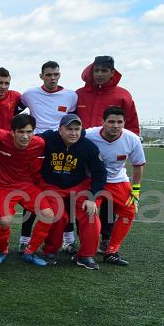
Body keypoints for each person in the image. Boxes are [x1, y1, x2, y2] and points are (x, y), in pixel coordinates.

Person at [75, 55, 141, 251]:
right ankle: (78, 240)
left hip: (111, 158)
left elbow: (132, 126)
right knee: (81, 199)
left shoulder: (123, 95)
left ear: (112, 73)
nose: (100, 75)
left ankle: (106, 238)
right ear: (91, 71)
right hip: (82, 156)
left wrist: (129, 145)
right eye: (97, 71)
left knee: (110, 204)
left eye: (105, 71)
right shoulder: (79, 94)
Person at [18, 61, 79, 253]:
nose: (52, 78)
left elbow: (74, 121)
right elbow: (13, 109)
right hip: (37, 149)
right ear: (41, 76)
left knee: (65, 190)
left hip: (61, 148)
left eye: (56, 74)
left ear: (60, 75)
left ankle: (69, 240)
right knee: (33, 193)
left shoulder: (71, 96)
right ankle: (24, 239)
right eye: (49, 74)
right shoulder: (30, 94)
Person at [0, 113, 59, 266]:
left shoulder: (39, 144)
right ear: (12, 132)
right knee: (5, 221)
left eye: (29, 132)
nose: (26, 136)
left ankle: (30, 252)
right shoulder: (2, 136)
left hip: (26, 185)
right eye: (21, 132)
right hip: (1, 186)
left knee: (48, 215)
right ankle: (2, 251)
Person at [38, 113, 107, 270]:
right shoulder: (49, 138)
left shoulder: (88, 146)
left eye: (77, 129)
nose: (73, 133)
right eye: (69, 129)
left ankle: (85, 255)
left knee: (90, 213)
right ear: (60, 129)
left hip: (79, 185)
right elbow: (28, 141)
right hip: (52, 184)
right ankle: (50, 251)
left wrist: (93, 197)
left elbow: (100, 173)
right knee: (58, 215)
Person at [84, 106, 146, 266]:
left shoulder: (132, 139)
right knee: (89, 213)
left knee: (129, 211)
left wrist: (136, 189)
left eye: (120, 122)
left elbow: (138, 165)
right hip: (93, 181)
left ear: (124, 123)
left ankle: (111, 251)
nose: (116, 125)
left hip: (118, 181)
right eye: (111, 121)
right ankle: (86, 252)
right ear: (103, 122)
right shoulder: (89, 135)